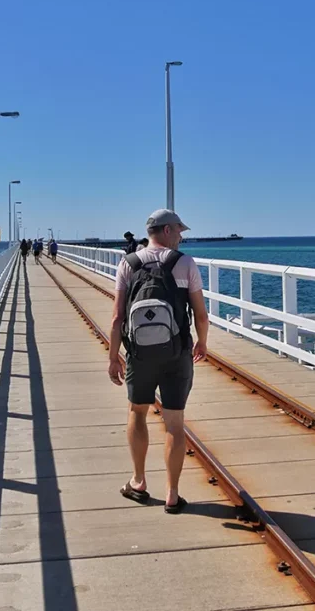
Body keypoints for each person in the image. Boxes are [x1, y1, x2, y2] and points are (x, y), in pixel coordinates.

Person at [108, 209, 209, 514]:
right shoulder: (185, 263)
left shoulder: (128, 263)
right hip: (176, 353)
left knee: (137, 414)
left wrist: (113, 357)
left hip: (139, 354)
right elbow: (200, 314)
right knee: (174, 423)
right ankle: (172, 494)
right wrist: (202, 342)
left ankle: (138, 482)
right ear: (166, 230)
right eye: (179, 231)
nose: (181, 236)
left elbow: (117, 317)